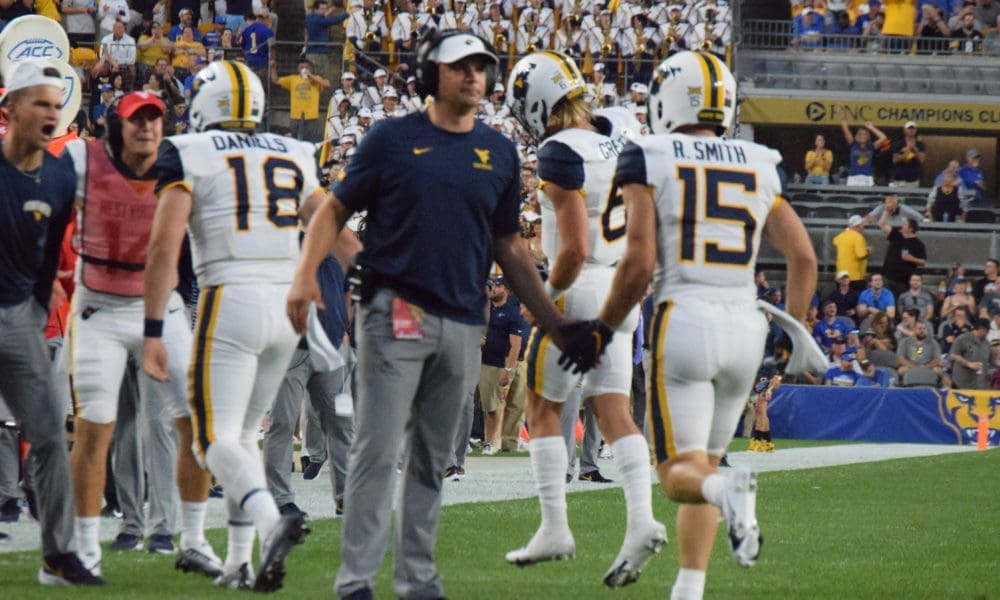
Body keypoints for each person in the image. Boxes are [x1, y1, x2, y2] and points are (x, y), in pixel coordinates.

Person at [285, 30, 587, 600]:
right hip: (394, 309)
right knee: (378, 448)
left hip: (464, 321)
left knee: (432, 458)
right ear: (431, 73)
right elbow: (333, 208)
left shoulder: (499, 152)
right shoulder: (391, 138)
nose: (474, 75)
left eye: (481, 66)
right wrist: (305, 275)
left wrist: (552, 319)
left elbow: (509, 247)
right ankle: (356, 580)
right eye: (460, 65)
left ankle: (417, 579)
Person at [587, 51, 819, 600]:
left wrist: (600, 330)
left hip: (685, 319)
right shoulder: (759, 159)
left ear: (666, 99)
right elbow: (804, 257)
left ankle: (728, 489)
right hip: (746, 325)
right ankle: (689, 589)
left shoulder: (649, 152)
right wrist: (794, 331)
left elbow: (638, 263)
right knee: (705, 468)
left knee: (678, 476)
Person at [142, 60, 315, 592]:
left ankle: (269, 522)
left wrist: (153, 328)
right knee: (241, 436)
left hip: (230, 299)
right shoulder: (294, 150)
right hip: (286, 306)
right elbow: (327, 215)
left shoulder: (187, 150)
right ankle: (240, 563)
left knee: (210, 439)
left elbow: (163, 249)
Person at [500, 49, 666, 589]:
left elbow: (572, 249)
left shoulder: (559, 152)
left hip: (579, 290)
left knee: (542, 405)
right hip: (621, 290)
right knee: (614, 408)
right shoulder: (622, 126)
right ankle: (641, 520)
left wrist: (543, 300)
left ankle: (554, 527)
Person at [63, 90, 222, 579]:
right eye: (136, 120)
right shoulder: (83, 160)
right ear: (118, 124)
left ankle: (192, 537)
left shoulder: (184, 163)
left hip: (162, 305)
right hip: (99, 305)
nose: (146, 128)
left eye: (154, 118)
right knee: (96, 426)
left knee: (195, 420)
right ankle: (85, 546)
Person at [0, 61, 104, 586]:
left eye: (55, 105)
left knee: (47, 434)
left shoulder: (61, 176)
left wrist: (36, 310)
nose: (51, 113)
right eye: (40, 103)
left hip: (20, 316)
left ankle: (58, 556)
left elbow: (47, 261)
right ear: (10, 110)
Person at [262, 192, 360, 521]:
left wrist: (342, 325)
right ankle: (279, 497)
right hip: (291, 345)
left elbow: (348, 291)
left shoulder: (337, 242)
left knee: (341, 425)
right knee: (282, 423)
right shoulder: (284, 241)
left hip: (330, 346)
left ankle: (346, 497)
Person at [478, 275, 523, 455]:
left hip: (499, 364)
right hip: (484, 361)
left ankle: (492, 443)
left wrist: (508, 369)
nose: (493, 288)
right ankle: (490, 441)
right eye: (492, 285)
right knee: (488, 406)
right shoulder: (487, 309)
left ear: (507, 290)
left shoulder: (511, 312)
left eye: (498, 285)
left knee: (496, 406)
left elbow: (515, 345)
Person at [270, 58, 331, 143]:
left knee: (310, 139)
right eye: (302, 67)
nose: (304, 69)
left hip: (311, 115)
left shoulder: (316, 79)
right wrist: (273, 68)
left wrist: (311, 76)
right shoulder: (293, 79)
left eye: (306, 67)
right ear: (298, 69)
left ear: (310, 69)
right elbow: (275, 80)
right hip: (296, 115)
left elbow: (327, 85)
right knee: (292, 138)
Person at [878, 212, 927, 299]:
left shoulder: (918, 244)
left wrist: (911, 258)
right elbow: (881, 224)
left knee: (900, 300)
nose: (902, 226)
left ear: (910, 229)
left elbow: (923, 262)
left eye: (905, 224)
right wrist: (886, 211)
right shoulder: (897, 235)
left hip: (903, 280)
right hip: (887, 276)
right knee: (885, 300)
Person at [841, 120, 888, 187]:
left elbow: (883, 138)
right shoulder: (853, 144)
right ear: (856, 136)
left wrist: (871, 128)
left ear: (868, 136)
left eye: (865, 134)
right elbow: (846, 130)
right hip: (853, 177)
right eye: (860, 134)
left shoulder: (871, 146)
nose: (862, 136)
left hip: (867, 177)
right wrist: (844, 122)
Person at [950, 318, 993, 389]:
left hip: (979, 385)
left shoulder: (987, 344)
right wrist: (969, 364)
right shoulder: (963, 339)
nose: (988, 333)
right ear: (981, 329)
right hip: (962, 383)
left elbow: (992, 360)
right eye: (987, 330)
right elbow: (954, 355)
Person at [833, 214, 870, 293]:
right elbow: (860, 255)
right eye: (862, 225)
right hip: (855, 277)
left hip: (840, 275)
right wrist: (868, 251)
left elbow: (835, 241)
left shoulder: (840, 236)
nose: (863, 228)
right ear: (858, 226)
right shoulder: (858, 237)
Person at [747, 374, 781, 451]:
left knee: (761, 414)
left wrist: (770, 388)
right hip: (763, 383)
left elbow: (775, 378)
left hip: (764, 383)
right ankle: (768, 442)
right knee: (761, 414)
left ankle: (757, 441)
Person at [890, 121, 926, 187]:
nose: (911, 130)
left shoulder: (920, 144)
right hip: (899, 178)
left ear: (916, 130)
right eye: (909, 128)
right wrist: (907, 151)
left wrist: (915, 151)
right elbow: (895, 160)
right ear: (904, 130)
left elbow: (921, 160)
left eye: (913, 128)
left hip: (913, 179)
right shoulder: (899, 143)